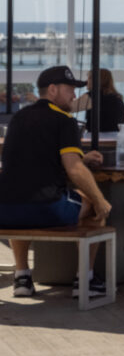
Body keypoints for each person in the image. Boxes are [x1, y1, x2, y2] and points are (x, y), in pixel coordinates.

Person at [0, 66, 112, 297]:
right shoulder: (64, 120)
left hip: (5, 209)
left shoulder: (18, 118)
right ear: (52, 89)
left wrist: (81, 156)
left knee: (20, 199)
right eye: (70, 89)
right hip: (47, 209)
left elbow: (37, 156)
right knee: (93, 206)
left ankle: (22, 276)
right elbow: (74, 168)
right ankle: (85, 280)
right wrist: (100, 200)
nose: (74, 95)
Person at [81, 68, 124, 135]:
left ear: (95, 80)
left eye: (89, 78)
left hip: (98, 139)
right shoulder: (117, 98)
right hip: (115, 139)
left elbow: (68, 106)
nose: (86, 81)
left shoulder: (91, 97)